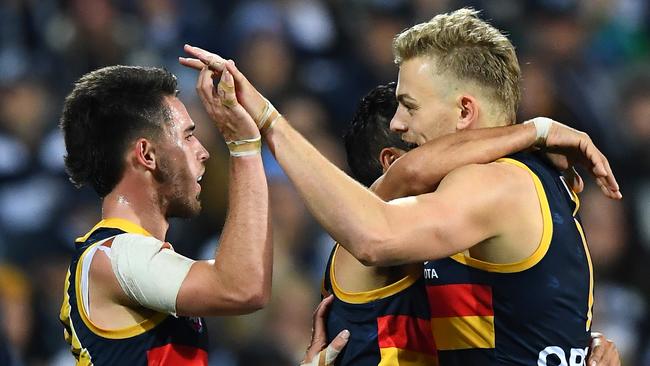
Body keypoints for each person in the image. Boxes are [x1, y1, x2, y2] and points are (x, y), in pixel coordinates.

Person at [180, 8, 622, 365]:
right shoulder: (536, 186)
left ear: (464, 112)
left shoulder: (496, 182)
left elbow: (375, 232)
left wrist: (268, 122)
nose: (397, 123)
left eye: (409, 105)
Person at [58, 65, 272, 365]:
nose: (203, 151)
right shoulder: (112, 256)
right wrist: (244, 147)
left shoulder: (131, 258)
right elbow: (243, 287)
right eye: (187, 137)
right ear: (147, 155)